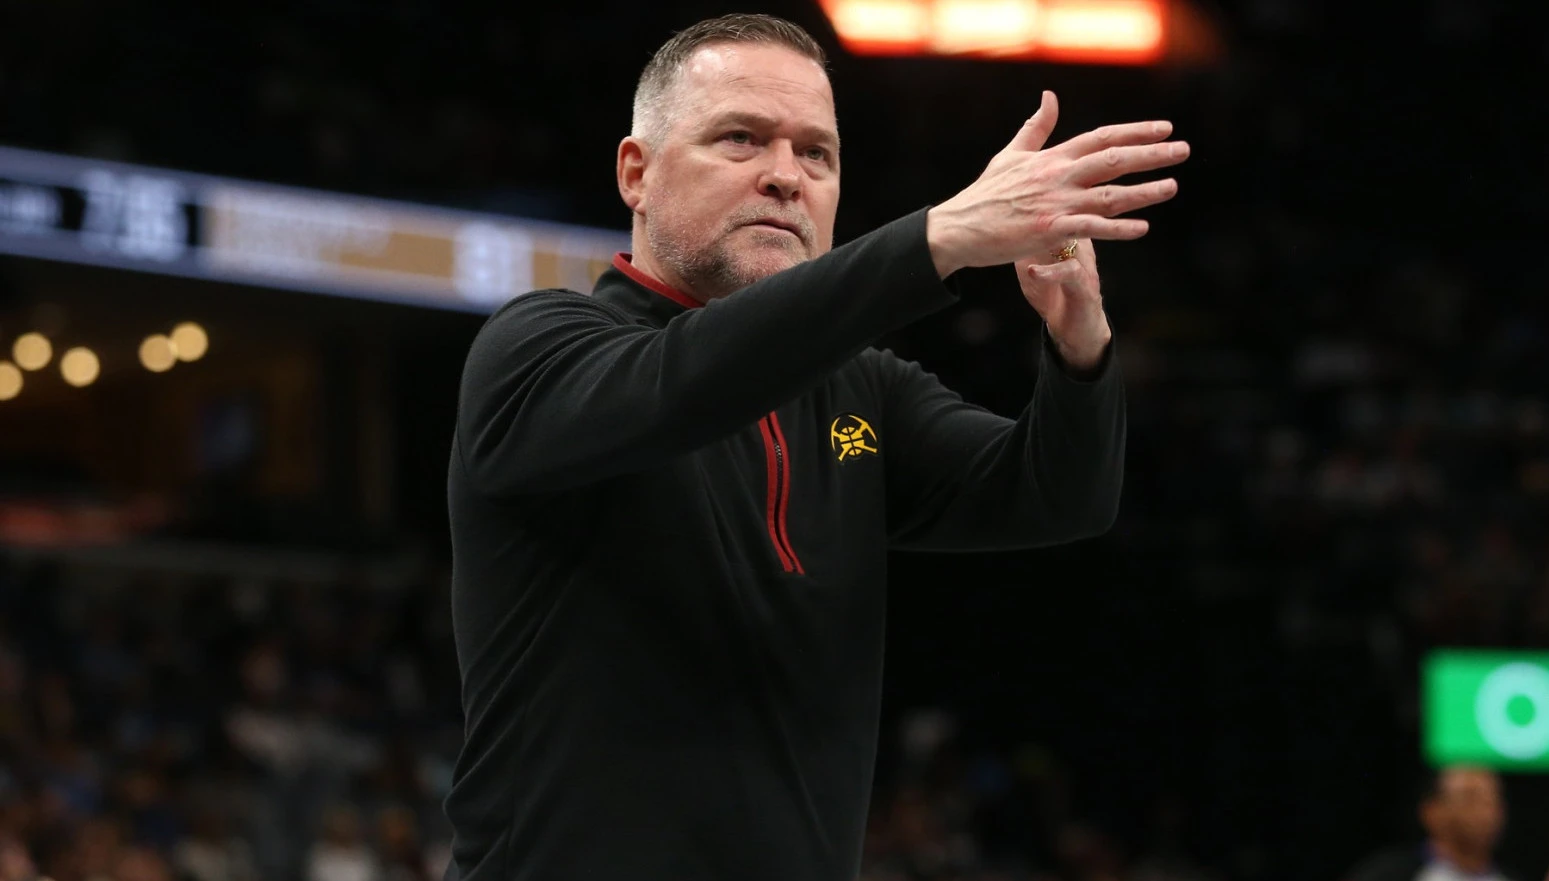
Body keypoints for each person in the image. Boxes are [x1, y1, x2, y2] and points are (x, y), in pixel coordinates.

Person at [442, 13, 1188, 881]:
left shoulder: (859, 388)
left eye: (816, 154)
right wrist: (937, 239)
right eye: (740, 138)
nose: (785, 176)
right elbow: (686, 380)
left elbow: (1061, 496)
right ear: (636, 174)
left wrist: (1078, 343)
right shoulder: (536, 350)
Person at [1347, 765, 1513, 881]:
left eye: (1492, 800)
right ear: (1431, 811)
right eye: (1470, 798)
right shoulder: (1387, 875)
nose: (1486, 812)